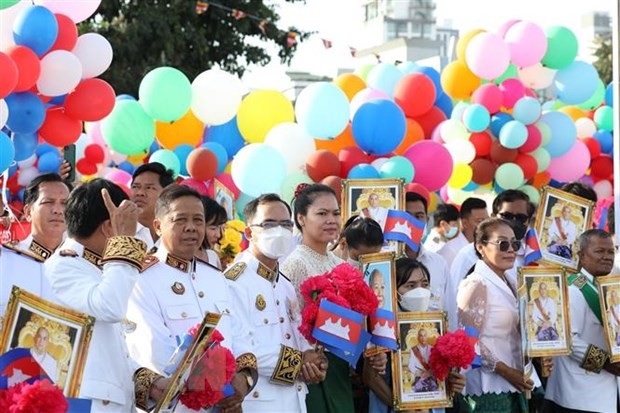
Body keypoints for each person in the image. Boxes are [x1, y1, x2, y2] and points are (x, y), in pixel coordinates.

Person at [126, 185, 256, 413]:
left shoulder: (216, 278)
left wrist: (242, 382)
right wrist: (215, 386)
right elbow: (155, 351)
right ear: (158, 226)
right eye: (180, 220)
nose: (191, 228)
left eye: (198, 220)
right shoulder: (142, 278)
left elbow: (241, 335)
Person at [44, 179, 168, 412]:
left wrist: (147, 382)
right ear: (109, 227)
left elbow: (106, 347)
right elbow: (109, 308)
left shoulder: (99, 267)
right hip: (85, 404)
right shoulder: (63, 265)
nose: (136, 238)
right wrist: (124, 243)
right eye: (129, 227)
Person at [281, 184, 387, 413]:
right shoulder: (294, 264)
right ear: (301, 218)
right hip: (312, 370)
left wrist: (371, 354)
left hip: (340, 368)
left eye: (336, 213)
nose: (331, 220)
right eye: (322, 213)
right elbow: (290, 325)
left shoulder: (340, 264)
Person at [226, 193, 328, 412]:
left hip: (294, 399)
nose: (279, 231)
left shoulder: (284, 283)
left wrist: (314, 360)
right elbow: (240, 347)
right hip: (259, 400)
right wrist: (299, 363)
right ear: (249, 232)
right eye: (269, 224)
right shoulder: (234, 282)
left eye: (285, 224)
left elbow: (296, 335)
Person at [457, 217, 541, 412]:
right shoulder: (476, 283)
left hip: (517, 381)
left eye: (515, 244)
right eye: (503, 244)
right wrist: (506, 371)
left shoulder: (512, 280)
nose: (511, 250)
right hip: (488, 387)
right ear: (480, 247)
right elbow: (468, 341)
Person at [364, 258, 466, 413]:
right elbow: (370, 377)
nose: (420, 290)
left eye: (425, 285)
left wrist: (453, 383)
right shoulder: (381, 324)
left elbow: (442, 379)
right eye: (410, 286)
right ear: (394, 290)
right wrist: (402, 407)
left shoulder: (437, 324)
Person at [544, 229, 619, 412]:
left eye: (611, 251)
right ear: (582, 256)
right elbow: (568, 340)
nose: (607, 257)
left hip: (602, 392)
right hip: (578, 394)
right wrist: (605, 362)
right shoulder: (574, 289)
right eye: (599, 251)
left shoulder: (606, 286)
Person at [447, 189, 532, 331]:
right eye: (507, 216)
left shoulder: (534, 255)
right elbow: (457, 310)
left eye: (521, 218)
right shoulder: (468, 256)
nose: (514, 222)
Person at [0, 174, 71, 317]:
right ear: (27, 212)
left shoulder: (78, 265)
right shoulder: (5, 259)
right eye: (48, 202)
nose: (58, 210)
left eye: (65, 203)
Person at [403, 191, 452, 314]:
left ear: (427, 220)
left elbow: (449, 309)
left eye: (419, 216)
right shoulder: (384, 263)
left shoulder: (439, 263)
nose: (413, 222)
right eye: (407, 216)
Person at [130, 162, 175, 251]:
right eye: (135, 186)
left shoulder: (174, 235)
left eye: (149, 188)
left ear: (166, 194)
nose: (140, 193)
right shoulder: (120, 232)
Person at [197, 196, 227, 269]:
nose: (218, 235)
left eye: (221, 228)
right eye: (213, 228)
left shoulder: (213, 257)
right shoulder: (182, 257)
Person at [408, 328, 439, 393]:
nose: (423, 338)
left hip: (431, 376)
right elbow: (410, 365)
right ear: (418, 337)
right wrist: (418, 373)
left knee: (434, 390)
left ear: (427, 337)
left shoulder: (433, 349)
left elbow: (437, 364)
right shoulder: (414, 350)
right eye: (421, 336)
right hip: (419, 376)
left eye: (424, 335)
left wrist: (430, 373)